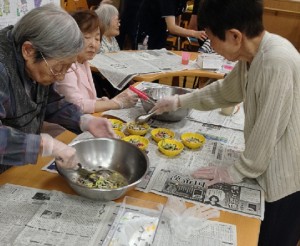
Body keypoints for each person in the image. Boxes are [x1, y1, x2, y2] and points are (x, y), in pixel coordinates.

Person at [150, 0, 300, 245]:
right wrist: (179, 102)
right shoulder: (252, 55)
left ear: (234, 36)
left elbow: (267, 130)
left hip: (286, 178)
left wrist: (233, 171)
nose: (212, 47)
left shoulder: (276, 61)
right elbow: (225, 91)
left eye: (211, 39)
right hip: (265, 168)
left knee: (273, 238)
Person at [0, 4, 115, 174]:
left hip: (14, 169)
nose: (61, 77)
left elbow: (48, 101)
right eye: (58, 67)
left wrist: (83, 121)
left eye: (67, 68)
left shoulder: (40, 60)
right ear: (28, 50)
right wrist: (44, 145)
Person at [55, 10, 138, 114]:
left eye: (97, 38)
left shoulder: (84, 61)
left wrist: (100, 101)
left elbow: (88, 99)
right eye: (87, 37)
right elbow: (75, 105)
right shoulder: (66, 65)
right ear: (72, 36)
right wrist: (115, 103)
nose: (93, 44)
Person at [135, 0, 207, 50]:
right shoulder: (169, 1)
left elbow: (178, 14)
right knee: (145, 55)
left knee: (159, 52)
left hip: (162, 26)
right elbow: (172, 28)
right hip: (146, 27)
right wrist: (194, 33)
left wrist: (178, 30)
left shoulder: (183, 2)